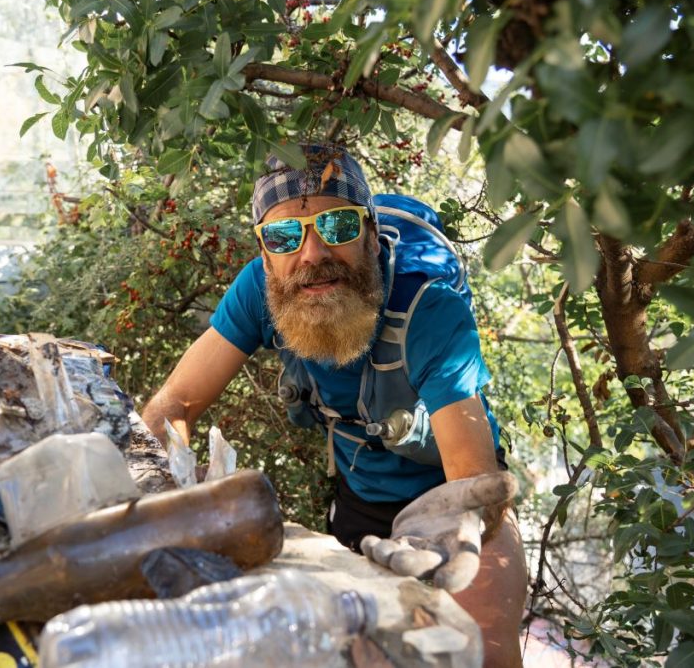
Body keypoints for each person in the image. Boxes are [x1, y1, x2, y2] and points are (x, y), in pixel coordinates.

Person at [141, 144, 527, 666]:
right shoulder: (262, 289)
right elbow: (176, 404)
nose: (313, 254)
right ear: (264, 254)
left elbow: (471, 473)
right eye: (284, 236)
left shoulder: (429, 305)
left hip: (456, 502)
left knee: (485, 651)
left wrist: (464, 522)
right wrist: (155, 492)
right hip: (360, 497)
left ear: (370, 232)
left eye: (338, 227)